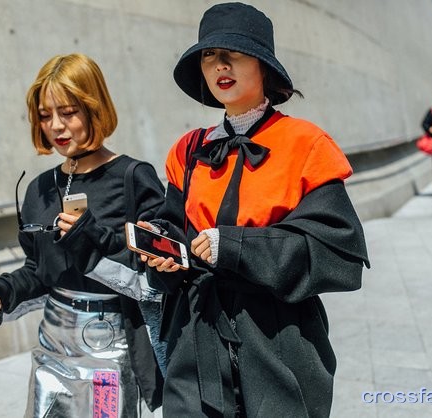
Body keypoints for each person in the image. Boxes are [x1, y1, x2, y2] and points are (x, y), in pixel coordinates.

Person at [137, 2, 370, 417]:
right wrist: (163, 251)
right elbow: (173, 226)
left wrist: (236, 246)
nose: (219, 65)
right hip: (196, 335)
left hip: (278, 339)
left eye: (234, 54)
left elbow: (337, 251)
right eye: (209, 55)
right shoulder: (188, 150)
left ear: (264, 67)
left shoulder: (305, 143)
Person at [0, 53, 166, 417]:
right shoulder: (40, 187)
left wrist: (97, 239)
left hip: (111, 346)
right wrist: (1, 293)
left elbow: (156, 276)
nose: (56, 125)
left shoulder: (133, 178)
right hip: (52, 343)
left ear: (94, 107)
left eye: (68, 111)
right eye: (45, 115)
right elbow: (38, 273)